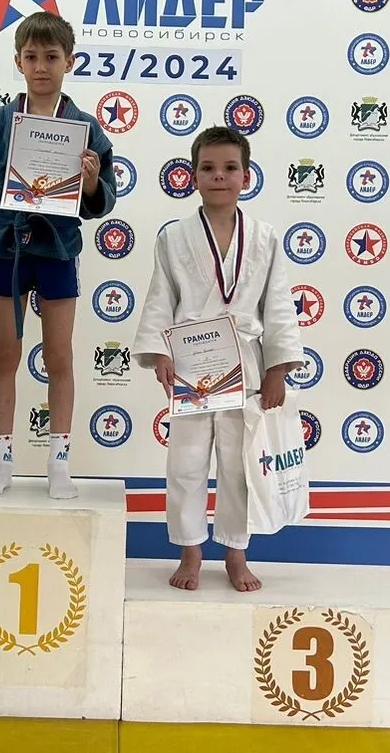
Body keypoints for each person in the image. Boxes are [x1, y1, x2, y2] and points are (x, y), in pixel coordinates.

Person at [0, 11, 117, 500]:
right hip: (6, 249)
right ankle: (1, 462)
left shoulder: (85, 126)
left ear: (70, 62)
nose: (41, 66)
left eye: (51, 57)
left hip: (58, 249)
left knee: (59, 355)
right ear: (18, 61)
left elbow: (103, 198)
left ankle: (58, 463)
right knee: (5, 354)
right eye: (31, 57)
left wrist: (91, 183)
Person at [132, 126, 304, 593]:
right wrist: (159, 351)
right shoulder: (174, 237)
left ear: (246, 176)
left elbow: (279, 305)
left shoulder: (265, 238)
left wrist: (278, 369)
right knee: (186, 463)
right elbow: (161, 297)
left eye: (230, 168)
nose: (219, 176)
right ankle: (190, 552)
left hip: (245, 364)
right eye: (207, 168)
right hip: (192, 363)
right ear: (193, 176)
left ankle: (235, 553)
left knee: (238, 466)